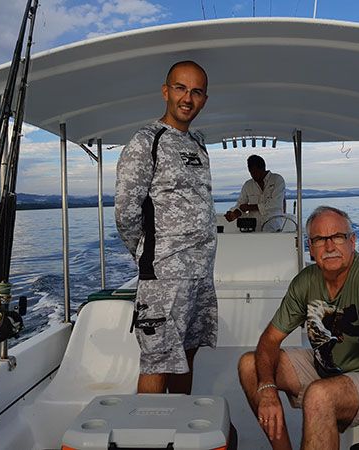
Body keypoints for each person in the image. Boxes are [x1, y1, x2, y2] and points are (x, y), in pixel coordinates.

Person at [238, 206, 359, 450]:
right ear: (310, 246)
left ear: (353, 241)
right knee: (249, 365)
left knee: (319, 395)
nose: (329, 247)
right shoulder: (306, 281)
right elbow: (269, 340)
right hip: (328, 366)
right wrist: (266, 389)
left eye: (338, 237)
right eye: (320, 240)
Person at [115, 61, 217, 395]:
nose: (187, 98)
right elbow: (126, 213)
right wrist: (150, 257)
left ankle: (179, 428)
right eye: (180, 88)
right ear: (165, 91)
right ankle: (147, 435)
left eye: (196, 91)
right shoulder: (147, 141)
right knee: (158, 361)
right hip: (164, 278)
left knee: (187, 355)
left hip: (201, 274)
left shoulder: (198, 143)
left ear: (203, 99)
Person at [224, 155, 286, 232]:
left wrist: (251, 207)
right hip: (254, 230)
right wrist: (234, 213)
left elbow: (276, 204)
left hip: (274, 228)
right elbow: (241, 204)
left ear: (263, 168)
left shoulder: (277, 180)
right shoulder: (248, 184)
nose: (253, 175)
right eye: (251, 172)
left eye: (255, 172)